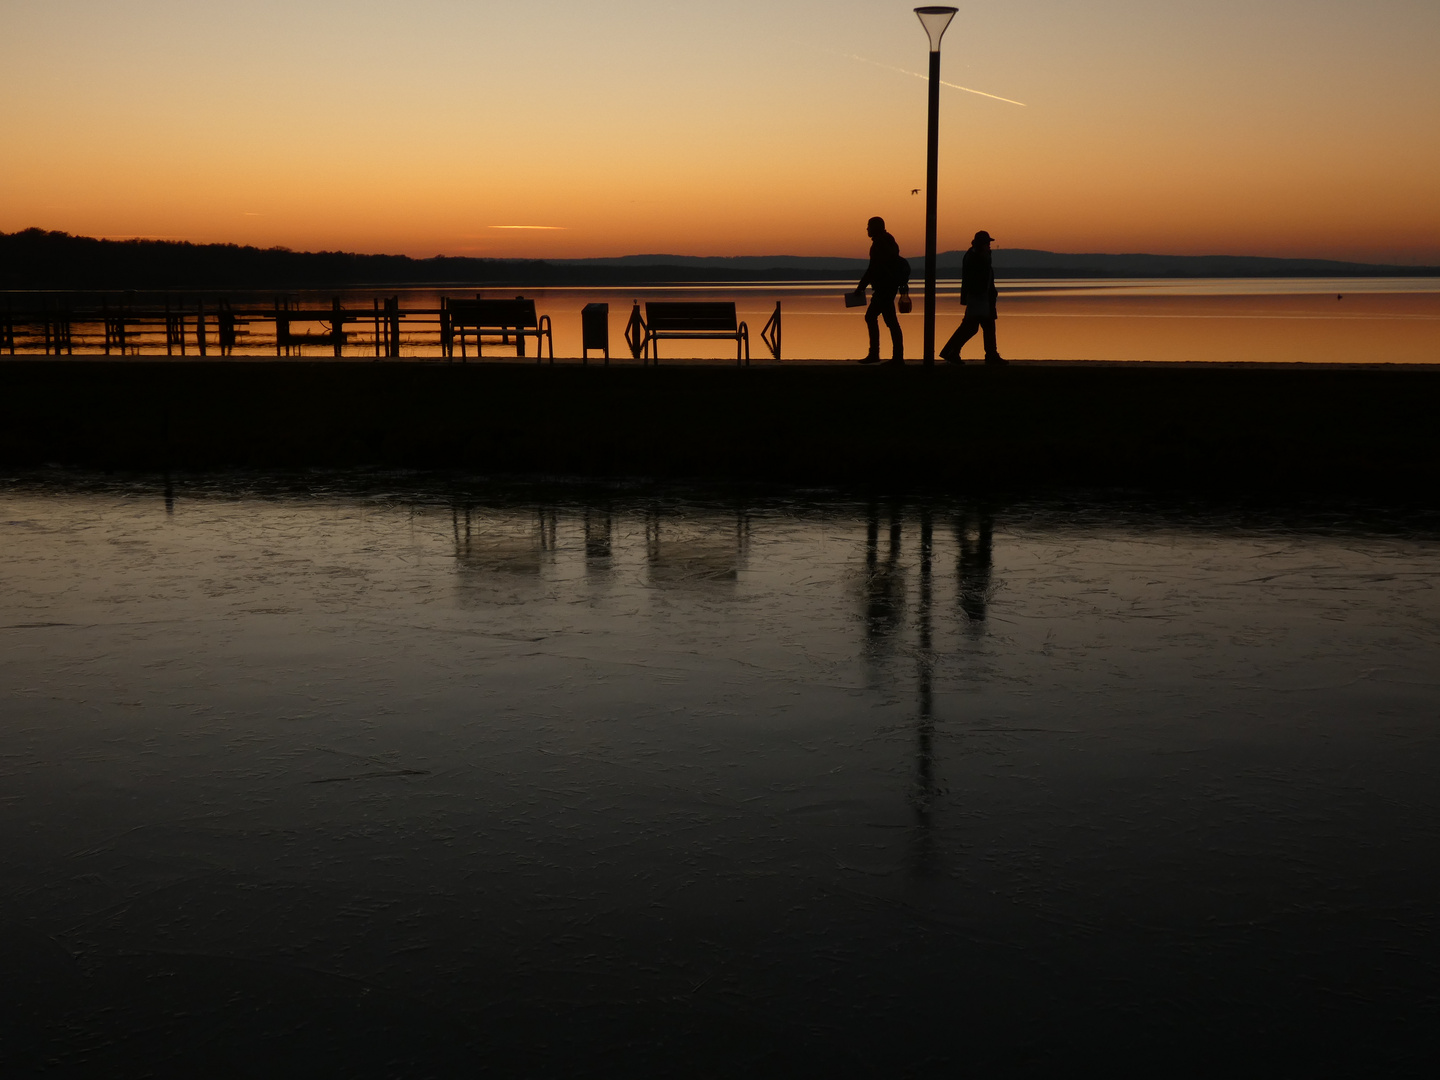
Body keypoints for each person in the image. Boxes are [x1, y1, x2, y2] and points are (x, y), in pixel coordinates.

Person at [939, 230, 1006, 365]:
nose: (989, 246)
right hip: (979, 298)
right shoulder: (976, 257)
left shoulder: (976, 255)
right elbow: (977, 279)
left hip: (980, 297)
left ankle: (951, 351)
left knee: (972, 327)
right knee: (984, 326)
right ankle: (990, 355)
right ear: (982, 244)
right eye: (987, 243)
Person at [852, 217, 906, 364]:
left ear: (876, 227)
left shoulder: (879, 244)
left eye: (869, 226)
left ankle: (880, 355)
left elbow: (873, 268)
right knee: (890, 321)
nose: (867, 229)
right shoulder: (890, 241)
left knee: (874, 318)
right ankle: (895, 356)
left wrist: (860, 287)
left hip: (884, 288)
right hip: (889, 286)